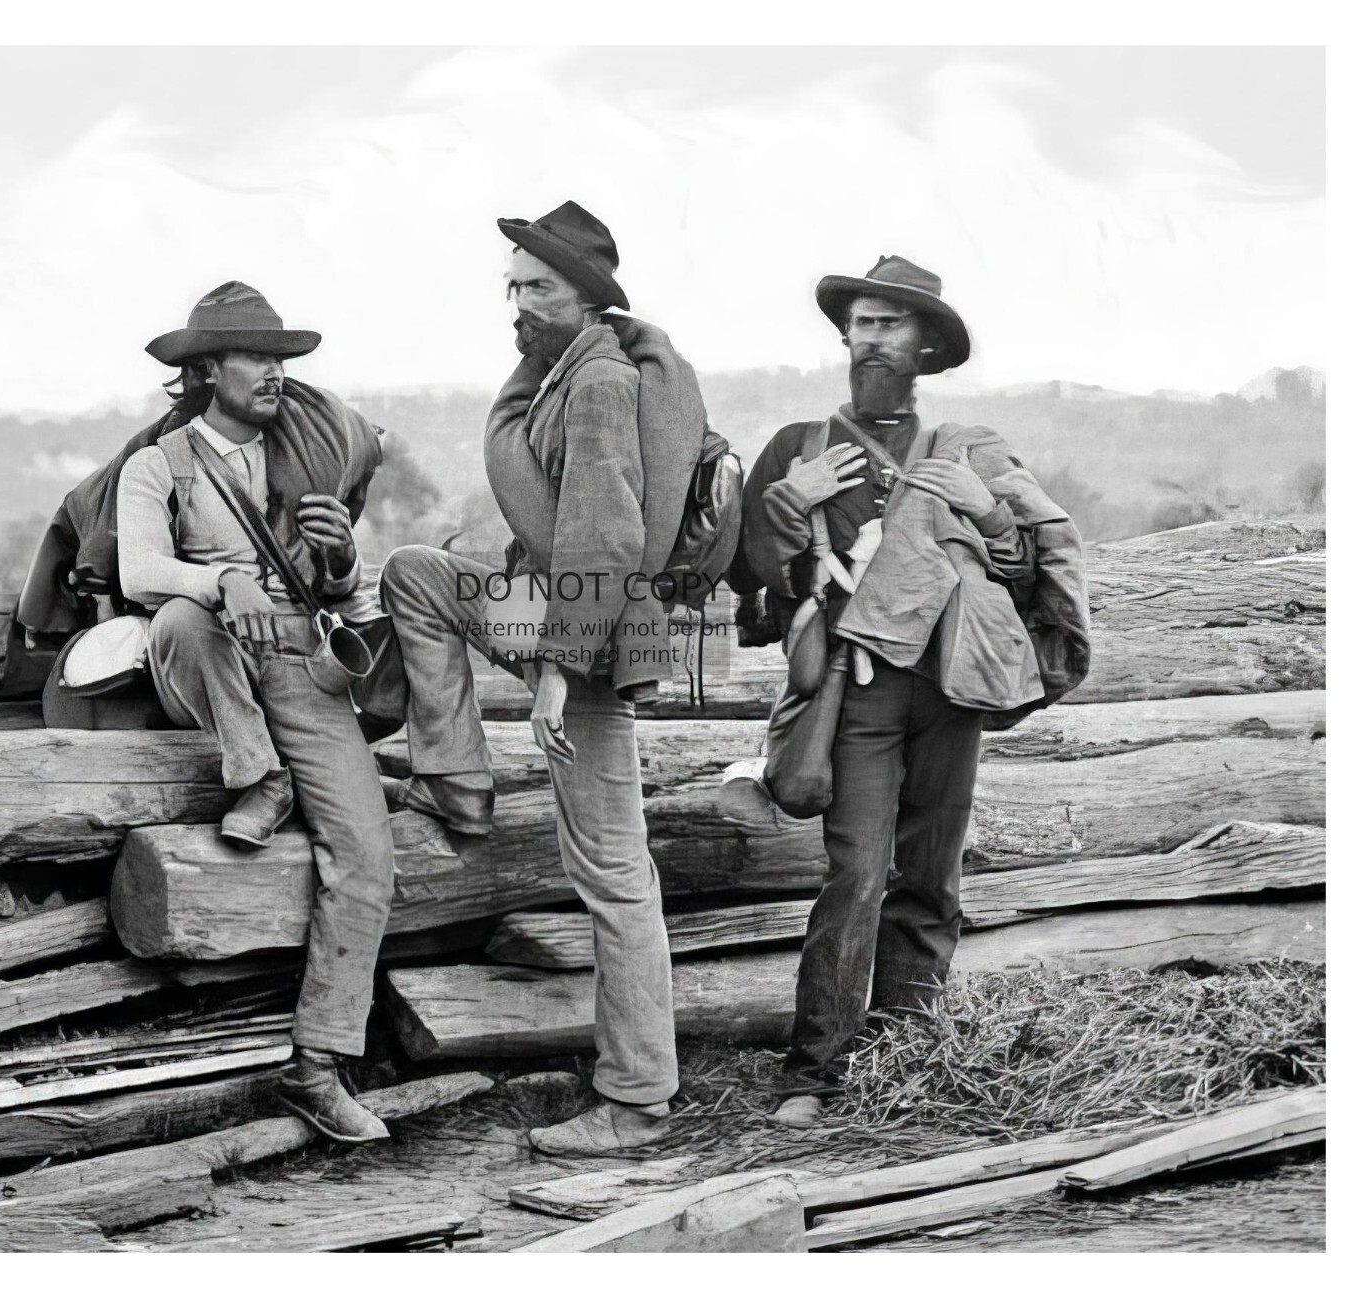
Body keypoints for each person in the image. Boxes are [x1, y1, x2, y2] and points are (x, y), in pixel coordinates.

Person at [379, 202, 709, 1154]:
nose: (516, 304)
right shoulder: (561, 370)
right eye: (512, 285)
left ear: (586, 297)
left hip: (596, 644)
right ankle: (458, 779)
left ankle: (639, 1097)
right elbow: (561, 516)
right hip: (562, 608)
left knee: (613, 871)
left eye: (537, 288)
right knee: (419, 572)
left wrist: (557, 675)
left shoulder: (599, 381)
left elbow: (605, 534)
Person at [732, 256, 1090, 1127]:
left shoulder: (968, 451)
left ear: (926, 345)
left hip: (950, 688)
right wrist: (786, 504)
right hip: (853, 696)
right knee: (855, 874)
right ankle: (813, 1072)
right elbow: (749, 586)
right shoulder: (798, 449)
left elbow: (1021, 570)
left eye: (891, 323)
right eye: (861, 322)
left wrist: (991, 512)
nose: (872, 338)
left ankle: (912, 1055)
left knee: (931, 875)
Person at [116, 280, 397, 1144]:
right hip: (210, 656)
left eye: (280, 358)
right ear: (206, 371)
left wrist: (343, 558)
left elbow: (338, 589)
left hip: (299, 661)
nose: (274, 373)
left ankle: (316, 1066)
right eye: (254, 358)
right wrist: (217, 578)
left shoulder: (302, 461)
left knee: (366, 848)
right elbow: (138, 572)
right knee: (183, 617)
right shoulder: (159, 464)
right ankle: (259, 773)